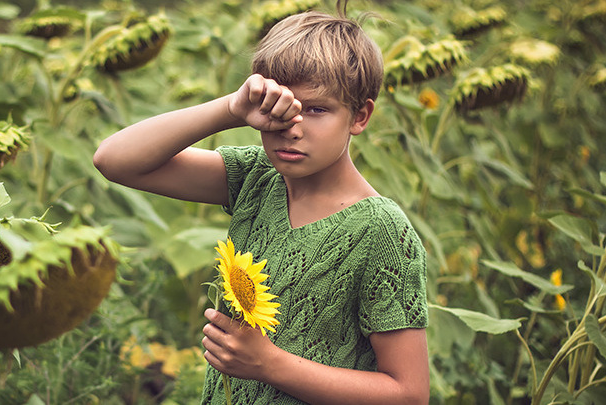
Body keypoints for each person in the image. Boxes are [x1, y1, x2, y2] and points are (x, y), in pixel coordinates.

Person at [92, 7, 430, 405]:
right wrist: (231, 109)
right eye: (278, 108)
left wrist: (270, 364)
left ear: (360, 116)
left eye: (317, 109)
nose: (293, 126)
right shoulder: (257, 178)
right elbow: (114, 160)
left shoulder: (381, 228)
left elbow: (408, 394)